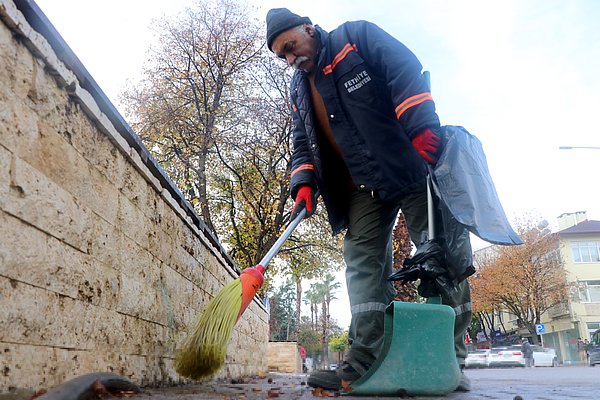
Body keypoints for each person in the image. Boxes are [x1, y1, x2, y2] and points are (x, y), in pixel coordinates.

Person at [265, 8, 473, 392]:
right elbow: (301, 140)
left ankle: (452, 362)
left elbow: (403, 67)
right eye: (283, 56)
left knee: (439, 254)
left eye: (291, 47)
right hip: (361, 185)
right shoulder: (298, 89)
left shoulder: (355, 39)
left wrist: (421, 126)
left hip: (408, 164)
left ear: (308, 28)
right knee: (362, 263)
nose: (291, 59)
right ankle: (364, 362)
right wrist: (304, 182)